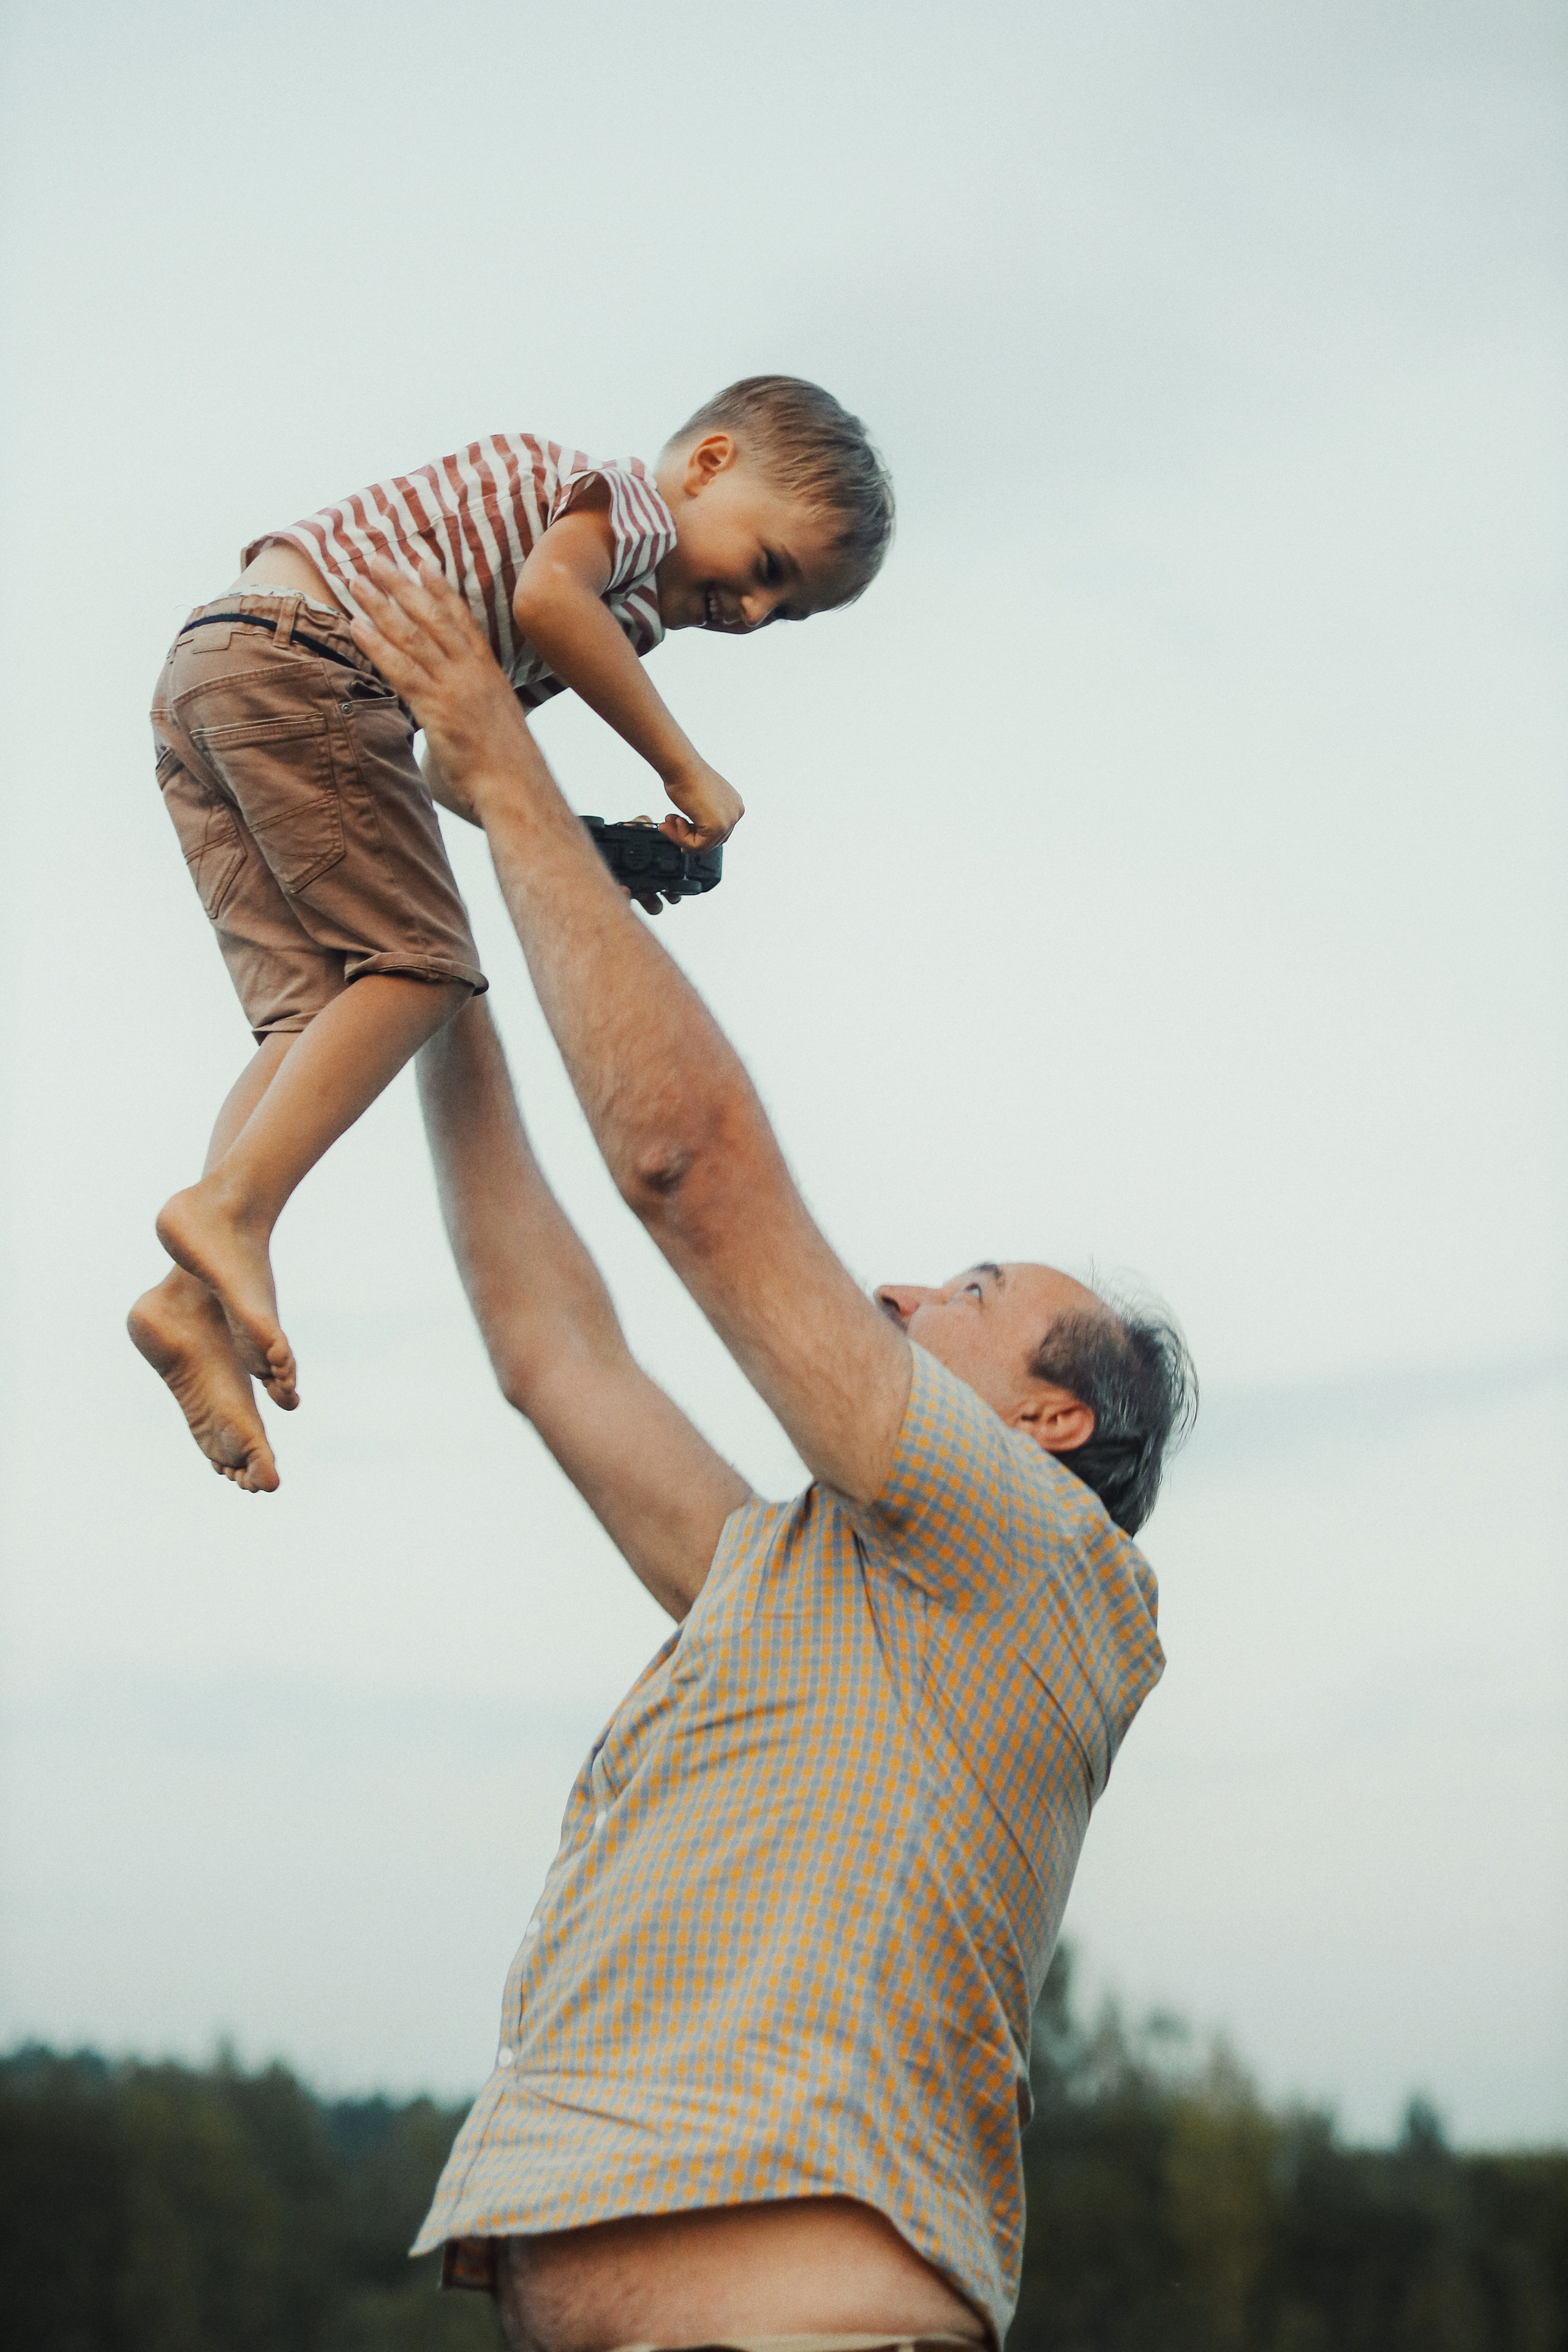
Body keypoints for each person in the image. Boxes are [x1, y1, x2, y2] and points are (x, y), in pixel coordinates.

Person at [338, 556, 1197, 2351]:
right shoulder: (803, 1589)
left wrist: (507, 776)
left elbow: (694, 1180)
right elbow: (548, 1348)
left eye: (969, 1288)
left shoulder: (1026, 1554)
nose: (900, 1283)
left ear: (1052, 1423)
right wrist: (433, 954)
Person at [129, 379, 894, 1491]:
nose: (758, 613)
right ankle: (231, 1210)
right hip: (306, 665)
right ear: (712, 464)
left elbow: (453, 761)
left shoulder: (617, 611)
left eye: (794, 614)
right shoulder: (623, 512)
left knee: (317, 1015)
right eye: (773, 568)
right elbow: (546, 602)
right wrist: (683, 767)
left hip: (216, 673)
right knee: (425, 970)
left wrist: (582, 846)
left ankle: (189, 1296)